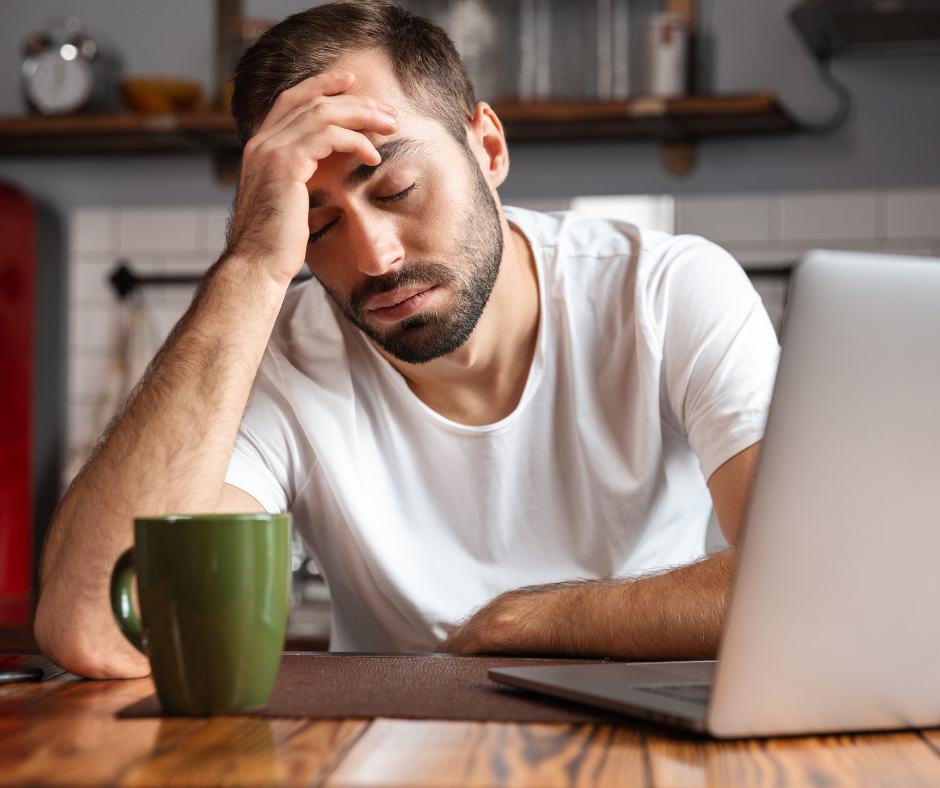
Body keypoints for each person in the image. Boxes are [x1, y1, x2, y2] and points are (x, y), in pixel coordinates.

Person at [35, 0, 779, 679]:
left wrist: (529, 620)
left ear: (487, 150)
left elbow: (807, 576)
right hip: (386, 742)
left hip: (641, 741)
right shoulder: (276, 354)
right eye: (317, 225)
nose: (377, 259)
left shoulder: (667, 290)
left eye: (397, 190)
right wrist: (252, 265)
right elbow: (96, 630)